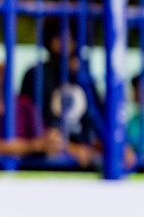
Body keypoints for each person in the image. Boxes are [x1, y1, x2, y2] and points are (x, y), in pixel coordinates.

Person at [20, 18, 105, 148]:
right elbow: (29, 121)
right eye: (58, 34)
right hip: (48, 153)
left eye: (70, 35)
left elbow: (97, 120)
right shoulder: (37, 74)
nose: (65, 40)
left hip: (86, 153)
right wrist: (70, 148)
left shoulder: (83, 75)